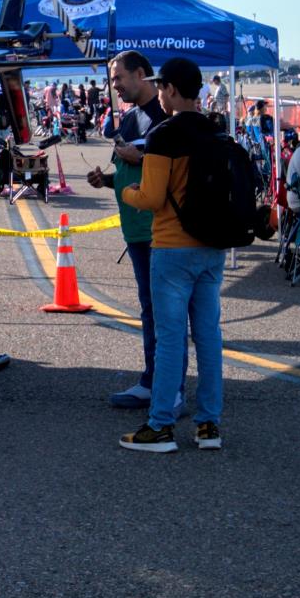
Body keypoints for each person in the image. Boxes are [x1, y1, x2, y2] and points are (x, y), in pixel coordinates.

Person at [118, 58, 225, 453]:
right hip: (211, 246)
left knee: (170, 339)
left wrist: (126, 192)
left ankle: (160, 426)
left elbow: (151, 198)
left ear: (173, 90)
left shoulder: (164, 134)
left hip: (172, 248)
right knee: (209, 337)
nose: (159, 94)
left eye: (162, 87)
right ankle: (209, 425)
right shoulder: (215, 131)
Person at [86, 51, 172, 412]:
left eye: (118, 78)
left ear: (140, 74)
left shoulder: (165, 117)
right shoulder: (130, 119)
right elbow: (127, 173)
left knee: (166, 313)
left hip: (160, 232)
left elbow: (175, 170)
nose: (115, 86)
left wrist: (143, 158)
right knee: (150, 309)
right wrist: (105, 179)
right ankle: (153, 381)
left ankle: (169, 388)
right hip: (135, 232)